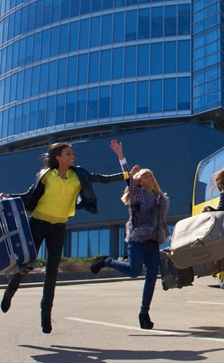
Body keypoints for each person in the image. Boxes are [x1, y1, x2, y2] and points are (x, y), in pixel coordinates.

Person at [0, 140, 129, 334]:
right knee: (26, 263)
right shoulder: (46, 175)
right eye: (68, 153)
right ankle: (10, 291)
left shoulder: (79, 175)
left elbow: (104, 179)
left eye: (73, 153)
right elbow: (28, 195)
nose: (72, 156)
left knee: (52, 272)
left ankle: (45, 315)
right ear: (58, 157)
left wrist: (124, 163)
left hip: (58, 227)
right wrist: (8, 196)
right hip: (38, 223)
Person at [90, 140, 169, 330]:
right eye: (146, 176)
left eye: (151, 176)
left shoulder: (160, 199)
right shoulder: (138, 194)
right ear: (140, 181)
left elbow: (162, 222)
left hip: (153, 241)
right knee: (134, 271)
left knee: (151, 277)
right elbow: (128, 180)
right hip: (137, 239)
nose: (150, 178)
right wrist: (121, 156)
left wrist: (169, 239)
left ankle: (144, 313)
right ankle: (107, 261)